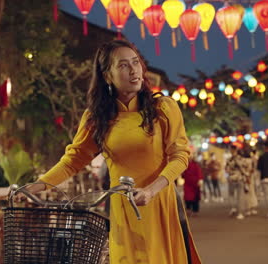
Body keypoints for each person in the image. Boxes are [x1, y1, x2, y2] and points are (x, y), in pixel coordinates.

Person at [23, 40, 201, 263]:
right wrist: (34, 187)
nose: (133, 70)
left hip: (159, 204)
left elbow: (180, 155)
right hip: (122, 209)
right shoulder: (97, 118)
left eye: (136, 62)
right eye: (124, 65)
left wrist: (151, 190)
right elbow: (73, 160)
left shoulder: (163, 108)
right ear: (108, 76)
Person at [226, 145, 251, 220]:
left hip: (232, 178)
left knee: (231, 194)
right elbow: (247, 167)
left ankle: (233, 208)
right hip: (240, 178)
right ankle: (240, 212)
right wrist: (246, 174)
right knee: (240, 196)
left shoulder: (229, 159)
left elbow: (227, 169)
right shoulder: (241, 158)